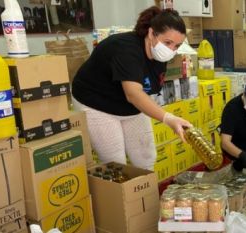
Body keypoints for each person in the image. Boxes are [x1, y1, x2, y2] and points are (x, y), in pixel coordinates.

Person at [72, 6, 192, 170]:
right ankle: (121, 195)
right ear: (151, 34)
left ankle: (145, 193)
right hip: (96, 102)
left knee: (146, 156)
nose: (171, 50)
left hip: (127, 104)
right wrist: (168, 118)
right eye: (168, 43)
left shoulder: (159, 54)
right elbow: (134, 94)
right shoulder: (126, 50)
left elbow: (145, 92)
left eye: (176, 46)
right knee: (115, 163)